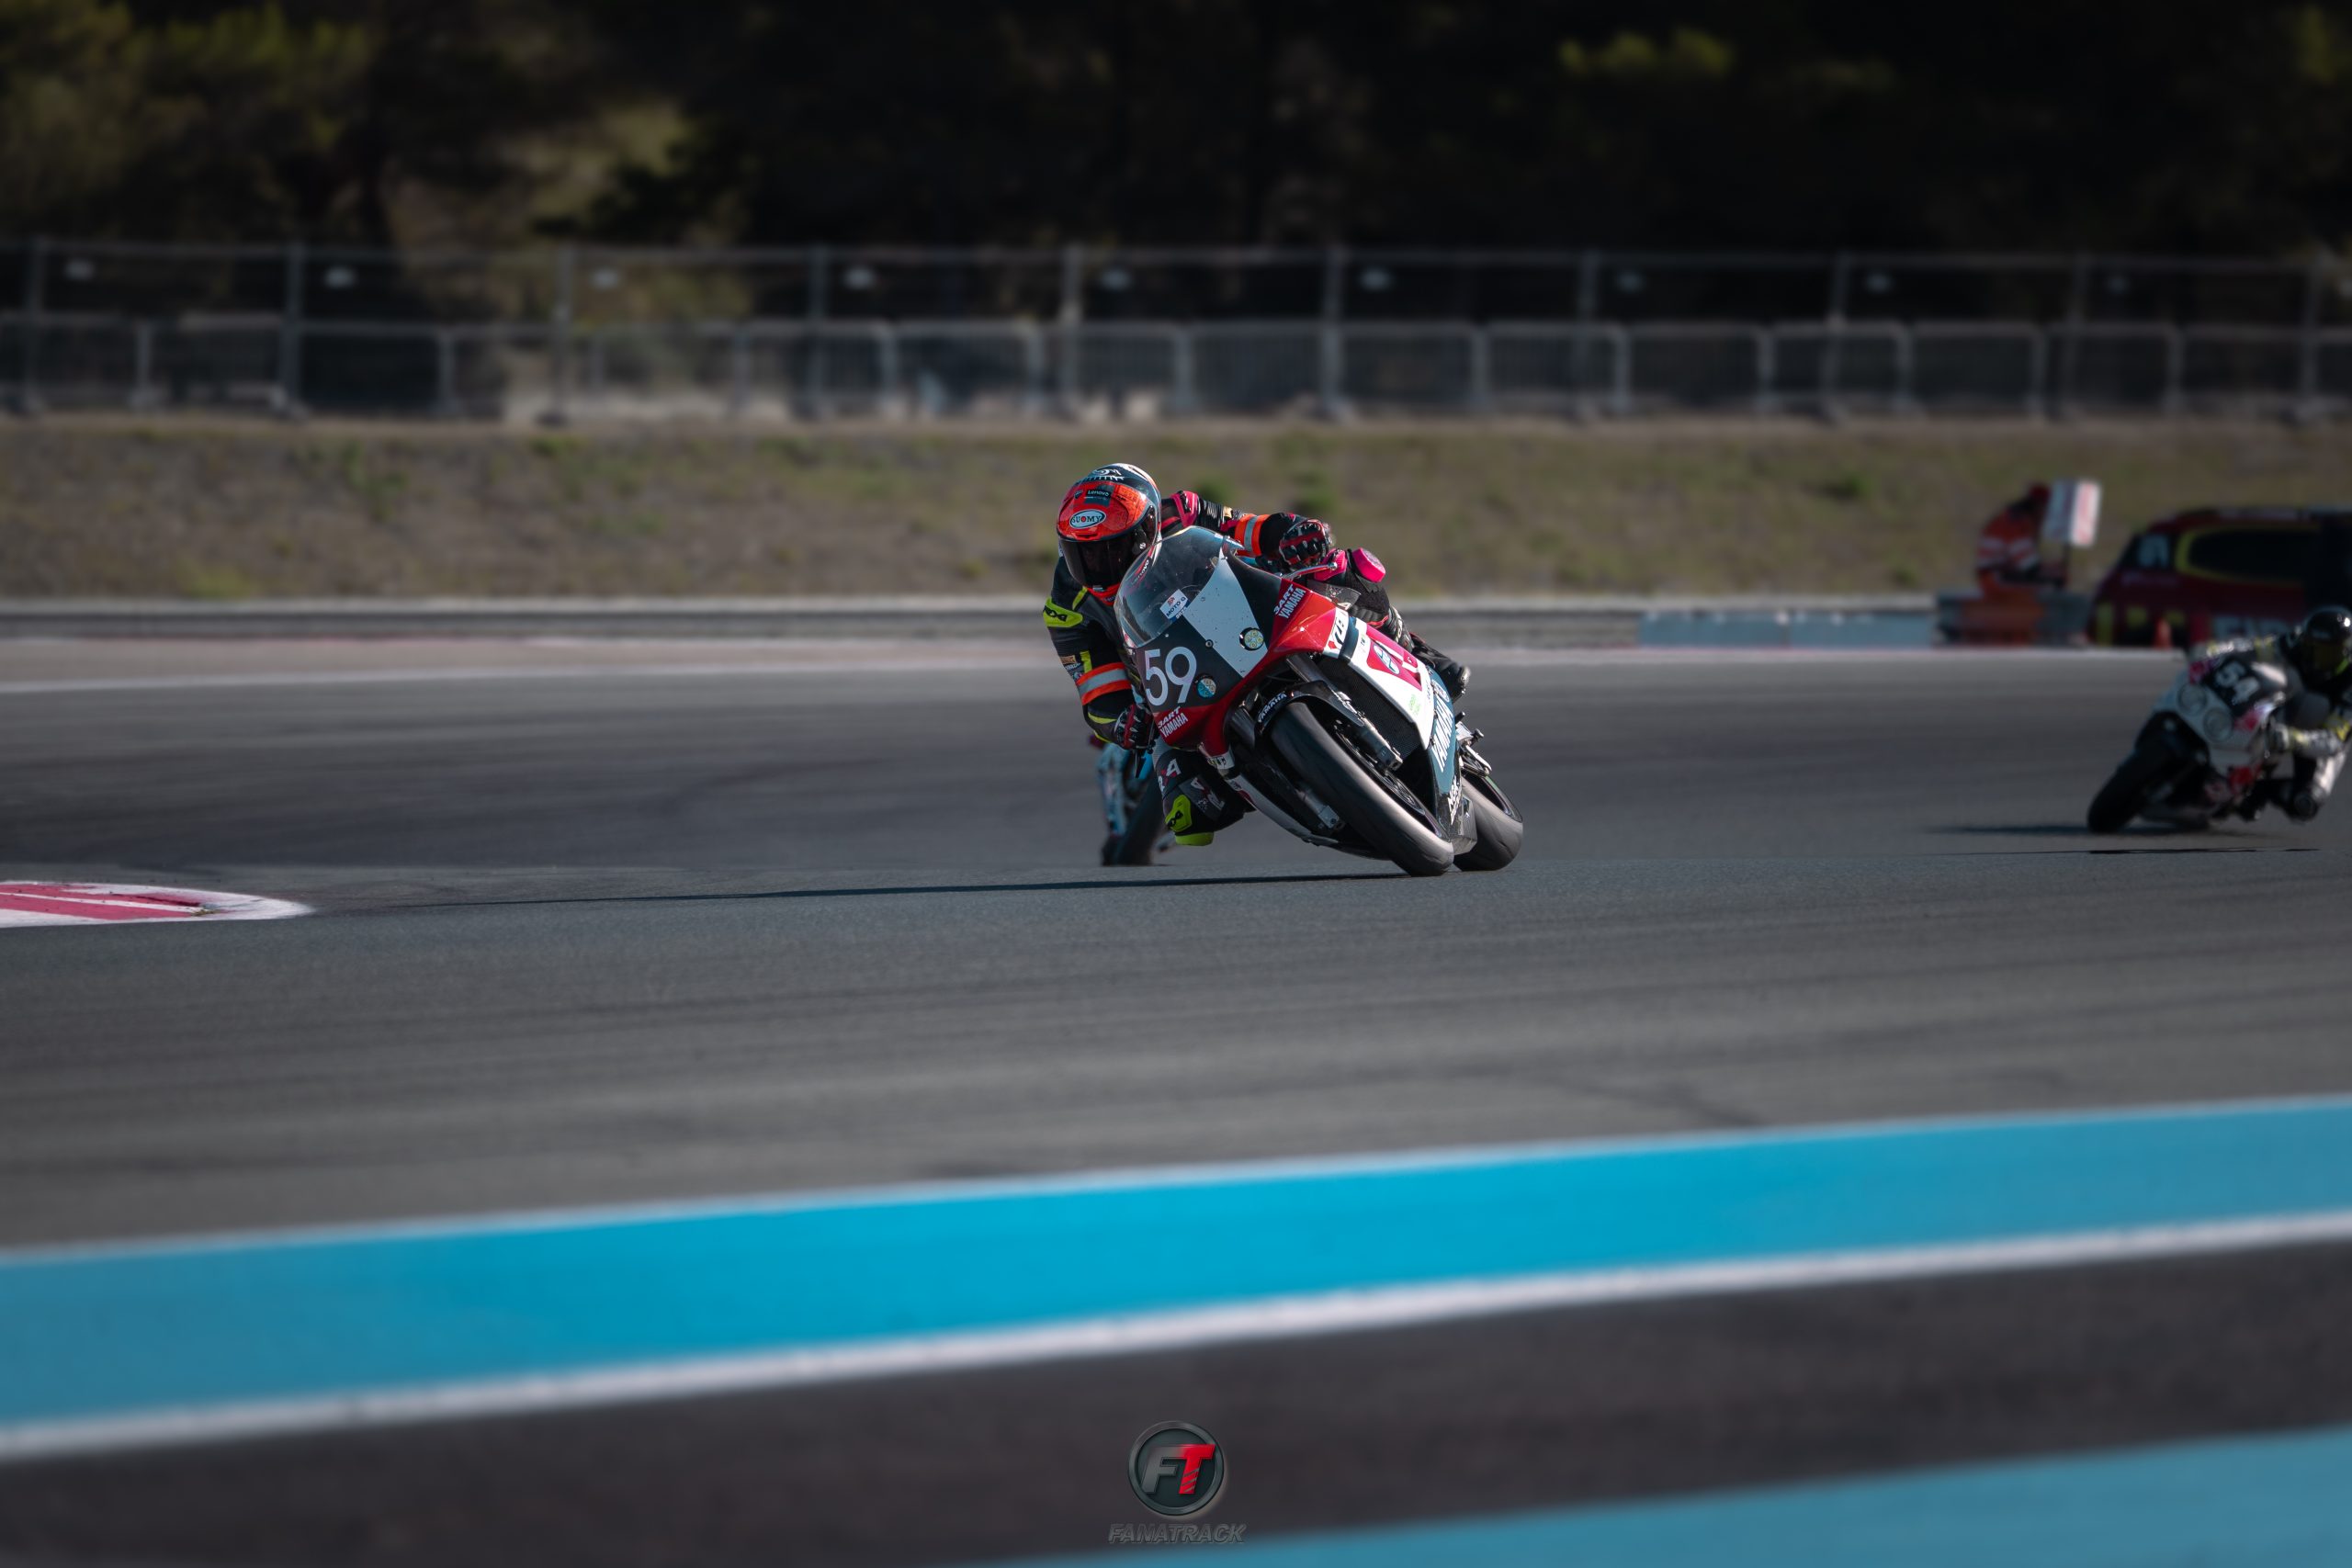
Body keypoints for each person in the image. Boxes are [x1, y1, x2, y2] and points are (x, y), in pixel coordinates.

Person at [1043, 461, 1467, 855]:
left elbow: (1252, 528)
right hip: (1173, 687)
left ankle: (1417, 653)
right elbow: (1096, 691)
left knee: (1338, 568)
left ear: (1149, 526)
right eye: (1084, 556)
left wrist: (1296, 534)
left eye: (1114, 549)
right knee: (1192, 816)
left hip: (1245, 611)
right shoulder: (1066, 607)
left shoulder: (1182, 512)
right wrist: (1122, 720)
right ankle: (1295, 788)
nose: (1099, 565)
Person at [2198, 606, 2352, 822]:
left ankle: (2258, 792)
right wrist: (2216, 650)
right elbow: (2255, 648)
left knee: (2305, 803)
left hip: (2320, 737)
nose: (2317, 656)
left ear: (2345, 651)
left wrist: (2294, 739)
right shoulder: (2296, 642)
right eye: (2313, 647)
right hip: (2281, 706)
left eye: (2327, 652)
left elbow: (2334, 740)